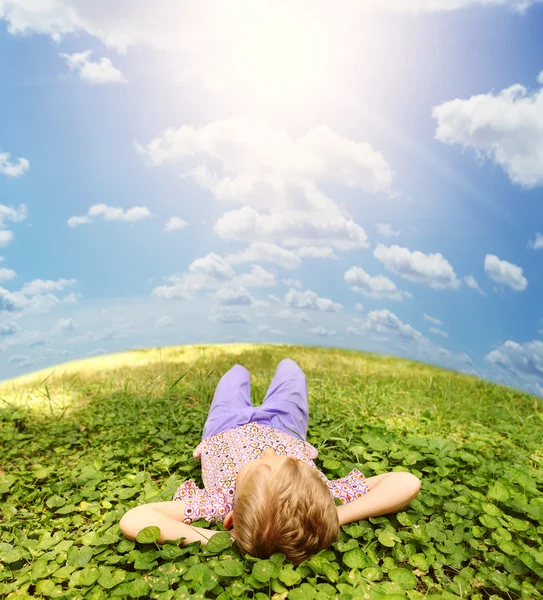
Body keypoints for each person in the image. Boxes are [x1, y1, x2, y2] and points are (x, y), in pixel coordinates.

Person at [119, 358, 421, 566]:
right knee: (291, 370)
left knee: (235, 374)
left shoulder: (222, 504)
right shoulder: (322, 495)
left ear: (231, 520)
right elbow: (407, 483)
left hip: (224, 426)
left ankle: (241, 375)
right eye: (289, 462)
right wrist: (331, 516)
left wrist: (220, 539)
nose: (266, 453)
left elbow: (134, 519)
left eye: (259, 466)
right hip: (284, 424)